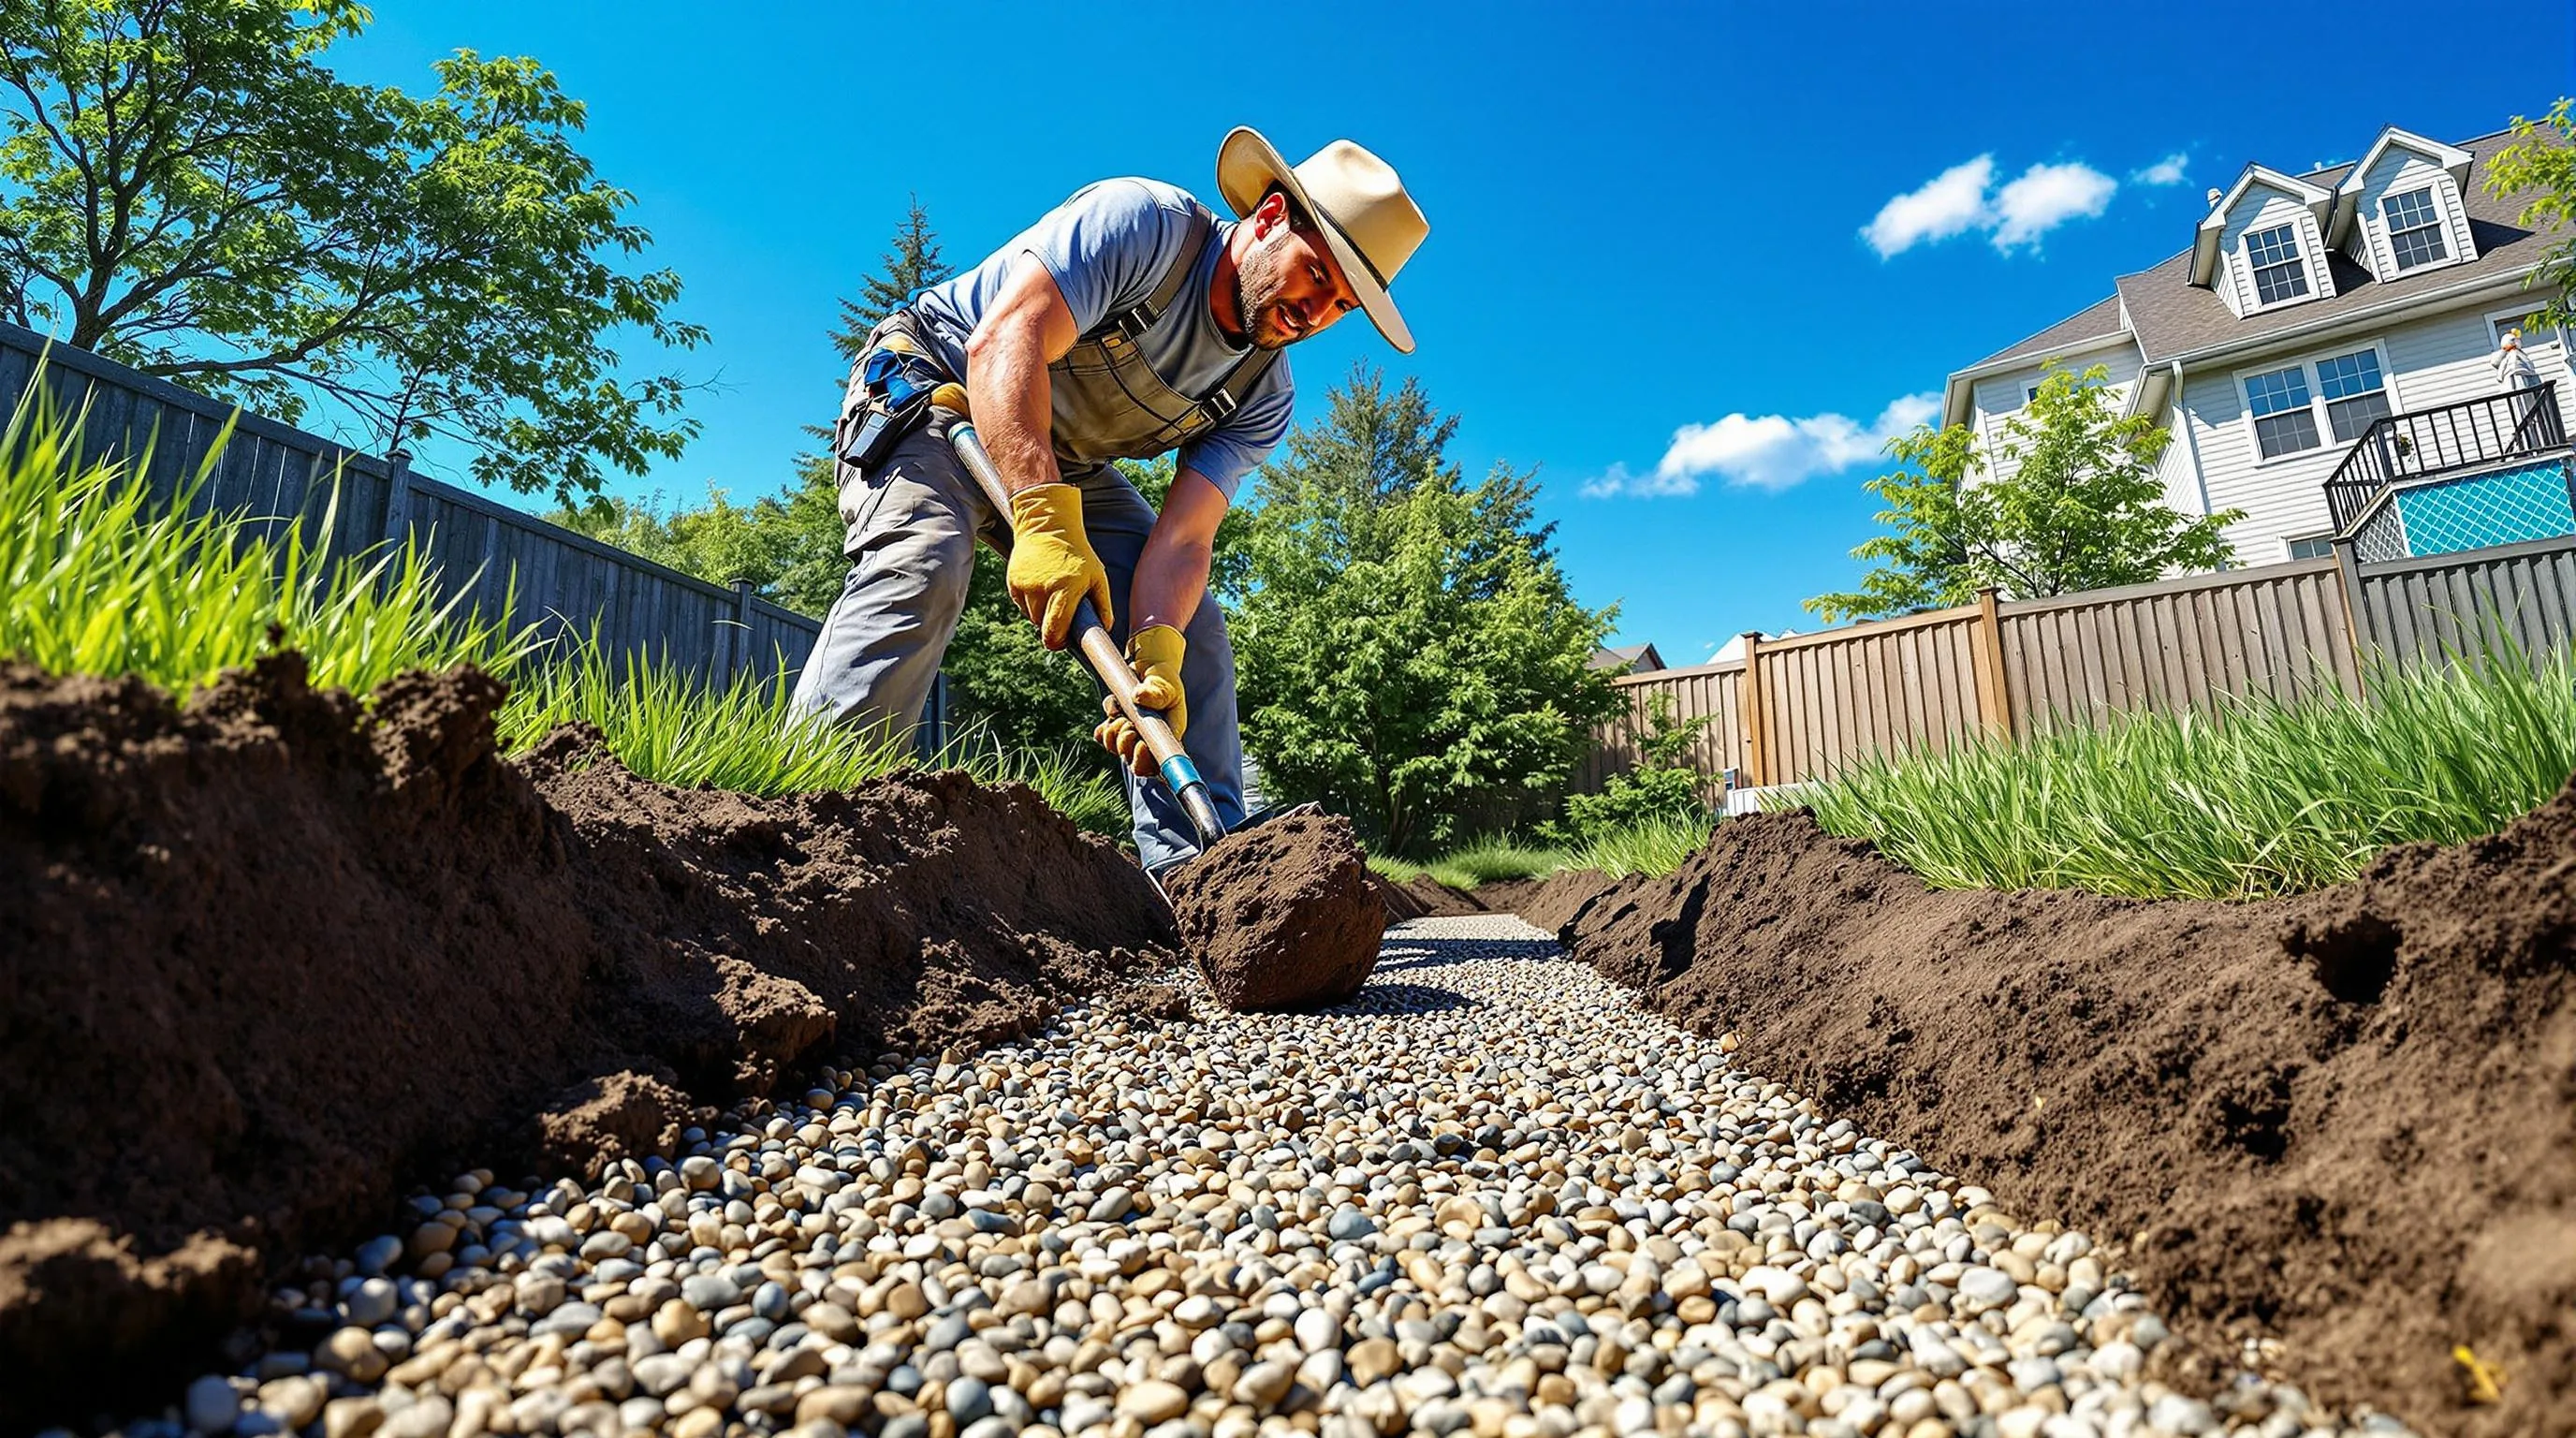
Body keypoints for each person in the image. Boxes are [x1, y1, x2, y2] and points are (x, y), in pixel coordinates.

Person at [788, 129, 1428, 878]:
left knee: (1196, 639)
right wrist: (1040, 515)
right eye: (1315, 274)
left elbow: (1184, 541)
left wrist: (1153, 648)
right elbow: (1008, 339)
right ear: (1269, 217)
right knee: (924, 560)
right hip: (938, 383)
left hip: (1068, 462)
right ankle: (807, 833)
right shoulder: (1146, 227)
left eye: (1341, 306)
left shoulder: (1262, 394)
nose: (1314, 312)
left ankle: (1203, 878)